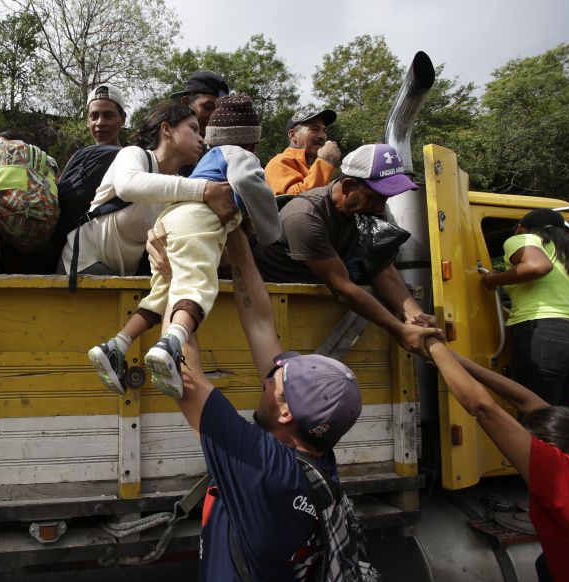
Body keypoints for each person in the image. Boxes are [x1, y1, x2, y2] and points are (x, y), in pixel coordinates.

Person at [155, 224, 367, 582]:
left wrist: (176, 279)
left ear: (286, 413)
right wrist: (236, 237)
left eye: (276, 380)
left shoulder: (262, 470)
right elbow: (261, 325)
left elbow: (181, 374)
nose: (268, 376)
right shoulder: (314, 463)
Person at [90, 95, 279, 398]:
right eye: (193, 128)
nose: (200, 138)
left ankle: (116, 345)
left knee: (163, 294)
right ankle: (170, 345)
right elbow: (247, 180)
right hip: (191, 223)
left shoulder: (196, 169)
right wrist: (270, 229)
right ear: (252, 143)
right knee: (198, 287)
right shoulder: (235, 155)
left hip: (169, 224)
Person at [424, 339, 569, 582]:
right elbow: (529, 403)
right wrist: (460, 361)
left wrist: (433, 345)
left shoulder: (562, 477)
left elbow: (483, 408)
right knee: (547, 565)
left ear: (550, 448)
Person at [253, 143, 442, 357]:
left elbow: (381, 267)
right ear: (348, 185)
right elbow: (341, 287)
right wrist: (400, 330)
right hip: (280, 309)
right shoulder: (305, 216)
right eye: (375, 197)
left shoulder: (365, 210)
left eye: (385, 198)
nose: (381, 207)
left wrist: (416, 317)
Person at [58, 100, 236, 278]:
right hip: (82, 264)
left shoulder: (178, 186)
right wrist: (205, 189)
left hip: (122, 277)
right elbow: (128, 186)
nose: (201, 138)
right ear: (166, 129)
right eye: (193, 128)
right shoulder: (134, 155)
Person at [480, 208, 569, 408]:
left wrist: (493, 280)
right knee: (560, 419)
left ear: (520, 228)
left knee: (537, 417)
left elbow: (537, 266)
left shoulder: (525, 238)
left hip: (545, 333)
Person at [265, 106, 341, 196]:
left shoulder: (316, 164)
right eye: (314, 129)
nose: (322, 136)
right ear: (292, 135)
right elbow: (292, 200)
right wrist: (325, 161)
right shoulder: (279, 162)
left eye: (324, 131)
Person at [170, 71, 230, 139]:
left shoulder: (225, 148)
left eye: (220, 110)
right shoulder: (166, 143)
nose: (215, 116)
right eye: (208, 107)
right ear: (186, 103)